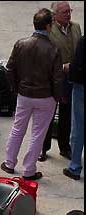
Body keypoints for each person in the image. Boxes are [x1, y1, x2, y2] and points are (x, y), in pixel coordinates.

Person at [1, 8, 63, 181]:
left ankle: (9, 163)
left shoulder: (21, 44)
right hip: (45, 97)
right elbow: (57, 79)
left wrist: (16, 88)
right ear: (49, 26)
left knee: (17, 129)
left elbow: (9, 70)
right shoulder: (53, 49)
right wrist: (56, 97)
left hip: (24, 94)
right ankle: (29, 170)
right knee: (38, 134)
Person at [40, 2, 82, 162]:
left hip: (72, 78)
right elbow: (45, 55)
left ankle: (65, 147)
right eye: (64, 12)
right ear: (54, 15)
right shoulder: (49, 30)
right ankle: (43, 148)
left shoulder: (76, 27)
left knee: (68, 115)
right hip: (54, 78)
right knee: (48, 115)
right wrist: (62, 66)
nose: (68, 15)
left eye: (69, 11)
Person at [64, 35, 84, 179]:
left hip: (82, 88)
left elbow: (77, 69)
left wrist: (67, 67)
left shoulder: (83, 42)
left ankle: (75, 167)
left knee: (78, 126)